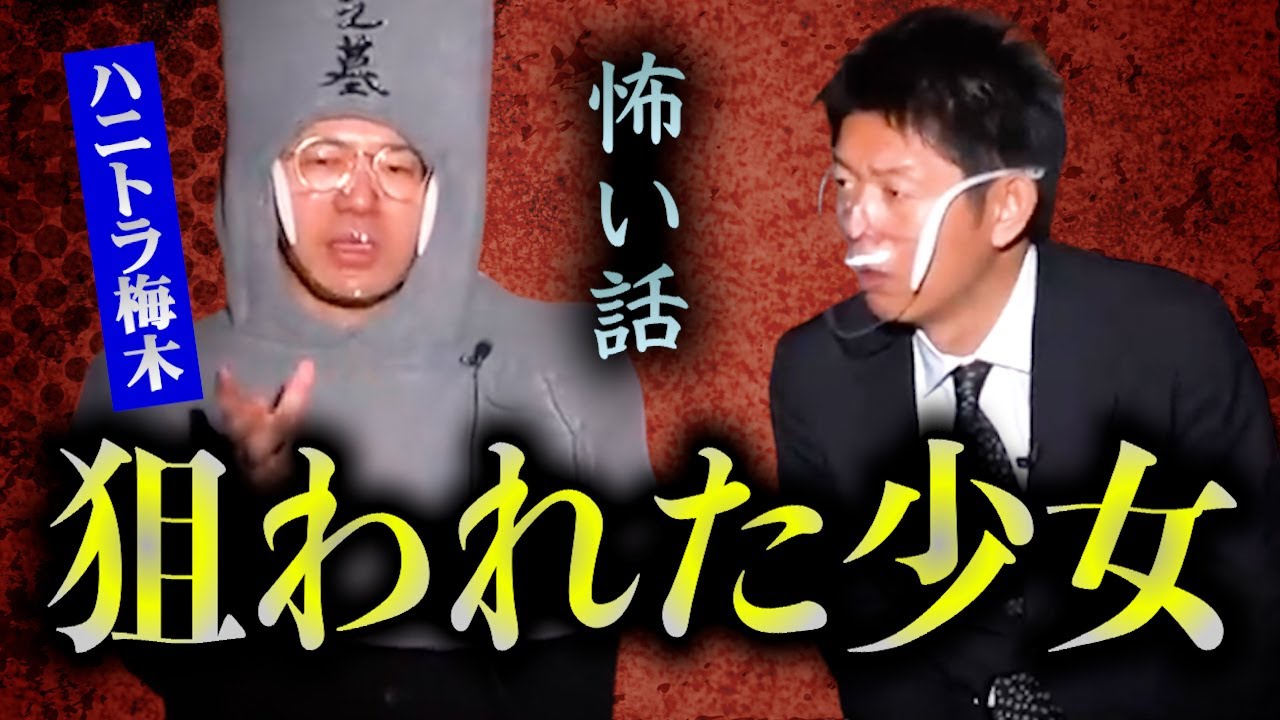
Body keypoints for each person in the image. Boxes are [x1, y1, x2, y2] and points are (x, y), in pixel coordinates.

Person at [72, 1, 652, 718]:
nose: (359, 201)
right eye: (323, 160)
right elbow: (153, 647)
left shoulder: (561, 365)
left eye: (398, 166)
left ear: (442, 187)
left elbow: (575, 680)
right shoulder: (149, 369)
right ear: (263, 174)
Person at [769, 7, 1280, 720]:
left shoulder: (1171, 338)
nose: (858, 224)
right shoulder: (815, 373)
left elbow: (1244, 604)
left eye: (894, 192)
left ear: (1008, 206)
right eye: (846, 186)